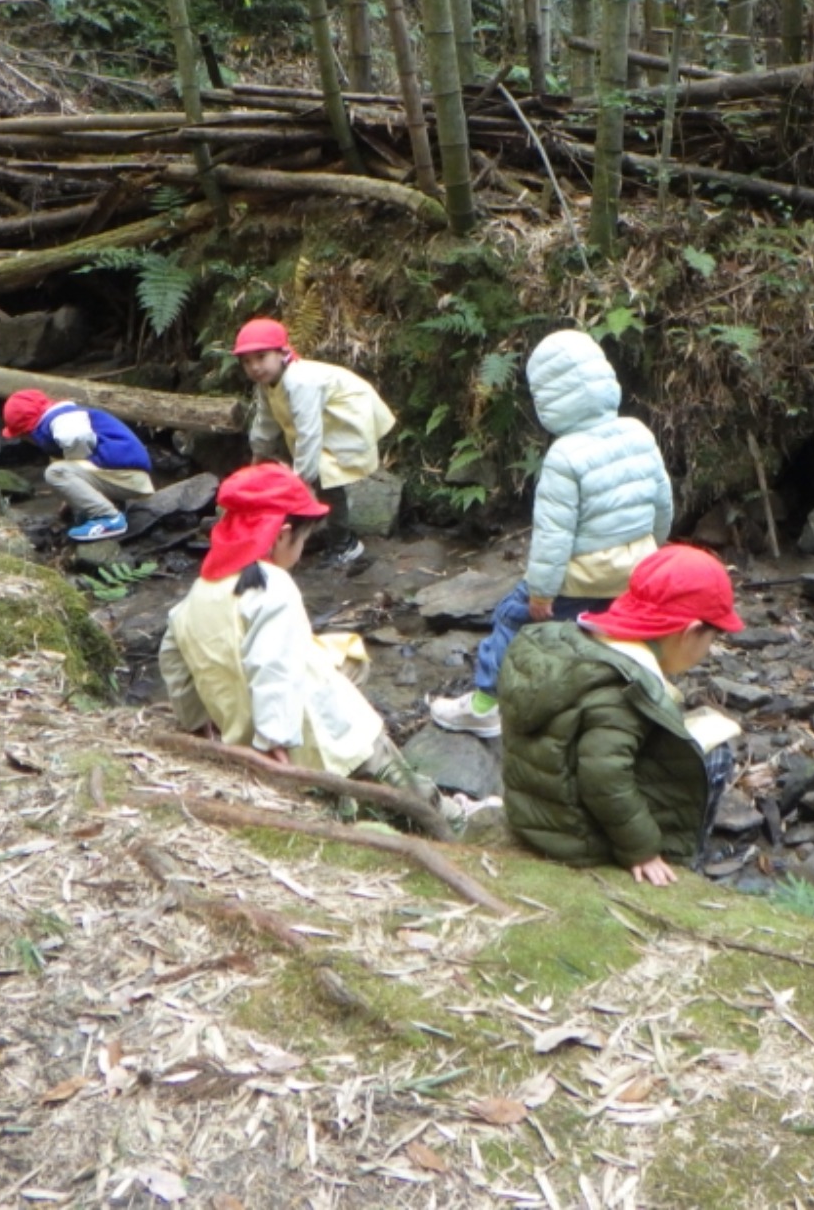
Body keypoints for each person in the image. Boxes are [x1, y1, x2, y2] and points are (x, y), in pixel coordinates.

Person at [430, 329, 673, 739]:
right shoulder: (638, 432)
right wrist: (651, 555)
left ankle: (485, 706)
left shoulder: (565, 455)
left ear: (547, 398)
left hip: (584, 573)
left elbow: (553, 535)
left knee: (511, 616)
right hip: (636, 566)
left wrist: (542, 591)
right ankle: (635, 703)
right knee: (610, 630)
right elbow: (663, 504)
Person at [159, 464, 441, 811]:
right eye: (303, 540)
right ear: (282, 535)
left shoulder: (195, 597)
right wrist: (274, 738)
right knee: (404, 792)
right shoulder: (273, 587)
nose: (302, 550)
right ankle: (451, 819)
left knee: (339, 797)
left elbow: (174, 661)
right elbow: (272, 666)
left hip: (247, 739)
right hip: (321, 733)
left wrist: (196, 720)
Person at [497, 546, 745, 886]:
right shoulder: (621, 691)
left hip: (537, 811)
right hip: (576, 837)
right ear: (689, 633)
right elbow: (604, 774)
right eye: (711, 639)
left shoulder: (573, 641)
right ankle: (687, 860)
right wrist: (641, 849)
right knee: (716, 755)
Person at [232, 318, 395, 567]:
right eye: (247, 361)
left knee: (328, 479)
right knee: (295, 470)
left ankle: (345, 545)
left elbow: (309, 433)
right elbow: (265, 423)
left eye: (261, 356)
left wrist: (302, 480)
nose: (255, 367)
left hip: (344, 419)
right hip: (317, 426)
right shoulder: (267, 384)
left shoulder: (299, 380)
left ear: (281, 352)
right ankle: (303, 530)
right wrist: (257, 458)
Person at [0, 389, 154, 542]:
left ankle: (108, 517)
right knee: (60, 467)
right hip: (123, 474)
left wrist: (74, 460)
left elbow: (77, 437)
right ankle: (108, 506)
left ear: (28, 429)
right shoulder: (63, 418)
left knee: (55, 473)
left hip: (127, 475)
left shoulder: (62, 419)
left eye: (22, 435)